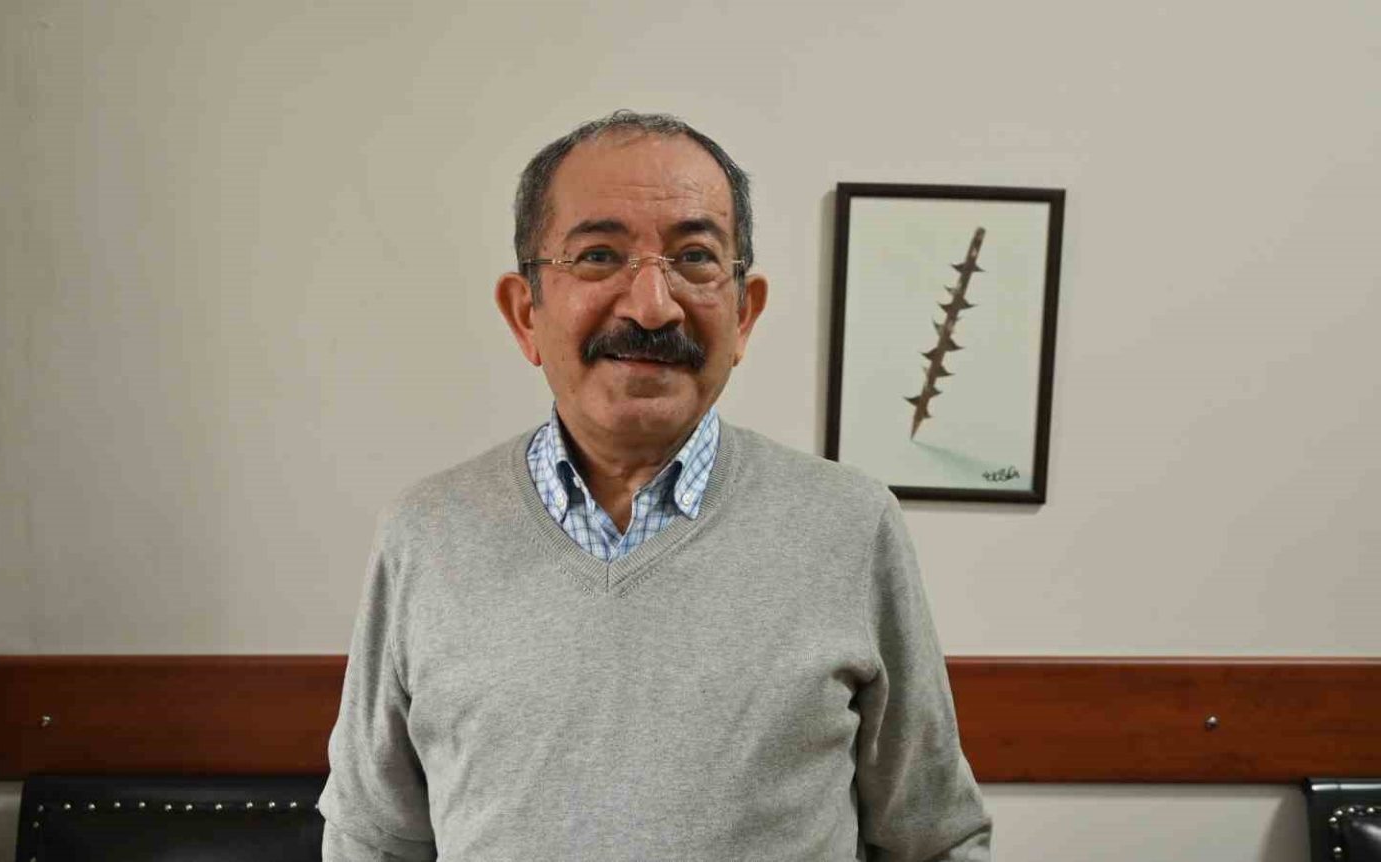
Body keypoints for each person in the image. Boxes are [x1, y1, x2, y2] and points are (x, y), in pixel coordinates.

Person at [318, 111, 992, 861]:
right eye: (598, 256)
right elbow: (373, 840)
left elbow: (936, 839)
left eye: (695, 258)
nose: (651, 306)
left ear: (744, 313)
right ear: (525, 313)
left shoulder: (852, 527)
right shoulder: (427, 534)